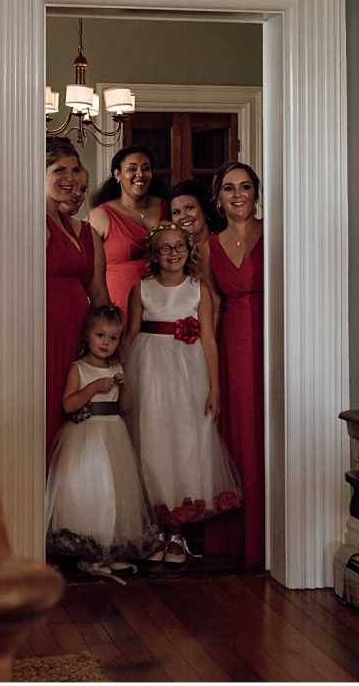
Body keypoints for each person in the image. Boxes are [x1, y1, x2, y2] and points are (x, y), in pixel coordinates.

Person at [127, 221, 242, 564]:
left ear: (189, 251)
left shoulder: (198, 288)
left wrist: (215, 387)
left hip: (189, 373)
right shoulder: (141, 289)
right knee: (154, 441)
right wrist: (121, 377)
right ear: (153, 254)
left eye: (179, 246)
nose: (173, 253)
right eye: (165, 247)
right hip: (149, 372)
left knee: (187, 440)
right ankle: (158, 527)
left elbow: (209, 338)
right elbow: (131, 335)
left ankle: (177, 532)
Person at [46, 304, 160, 578]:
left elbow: (127, 406)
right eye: (100, 335)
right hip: (86, 436)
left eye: (113, 337)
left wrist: (125, 387)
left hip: (113, 433)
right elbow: (69, 404)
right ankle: (88, 550)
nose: (106, 343)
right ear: (87, 335)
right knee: (92, 489)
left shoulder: (117, 367)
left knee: (114, 489)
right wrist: (94, 387)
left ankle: (110, 549)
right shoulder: (79, 368)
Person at [205, 160, 265, 567]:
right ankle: (241, 539)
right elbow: (210, 311)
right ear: (219, 198)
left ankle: (273, 535)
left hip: (273, 337)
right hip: (232, 344)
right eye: (229, 188)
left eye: (245, 186)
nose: (238, 194)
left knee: (270, 430)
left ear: (257, 193)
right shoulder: (208, 246)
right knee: (239, 429)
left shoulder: (278, 232)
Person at [45, 139, 109, 454]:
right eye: (59, 170)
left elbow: (98, 292)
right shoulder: (33, 222)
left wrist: (108, 342)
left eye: (74, 169)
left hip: (77, 338)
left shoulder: (79, 229)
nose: (69, 178)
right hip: (43, 336)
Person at [88, 146, 168, 313]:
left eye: (146, 168)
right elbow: (81, 259)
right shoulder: (101, 215)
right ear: (118, 175)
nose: (140, 174)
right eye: (132, 168)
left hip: (164, 305)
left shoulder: (167, 206)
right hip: (119, 310)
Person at [168, 178, 223, 319]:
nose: (183, 216)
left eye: (189, 208)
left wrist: (208, 341)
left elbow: (215, 302)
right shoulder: (178, 251)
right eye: (176, 212)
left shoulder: (214, 245)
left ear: (204, 211)